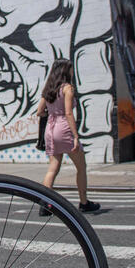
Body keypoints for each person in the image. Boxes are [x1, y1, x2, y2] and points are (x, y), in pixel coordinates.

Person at [36, 58, 101, 215]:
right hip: (64, 129)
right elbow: (68, 113)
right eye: (71, 69)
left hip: (50, 130)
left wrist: (51, 114)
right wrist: (76, 136)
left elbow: (39, 112)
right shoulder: (67, 89)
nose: (72, 71)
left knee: (53, 168)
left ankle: (44, 204)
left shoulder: (48, 89)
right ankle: (84, 202)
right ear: (66, 70)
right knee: (81, 166)